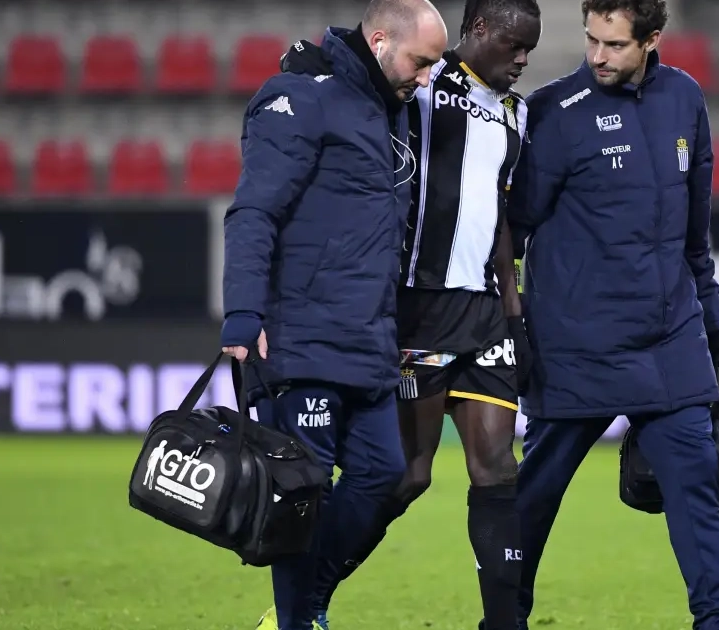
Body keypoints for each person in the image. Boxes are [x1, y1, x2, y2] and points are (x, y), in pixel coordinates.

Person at [260, 3, 540, 629]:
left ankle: (505, 623)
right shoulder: (421, 85)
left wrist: (514, 312)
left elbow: (499, 217)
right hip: (418, 308)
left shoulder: (517, 115)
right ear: (480, 31)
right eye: (515, 45)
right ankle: (304, 601)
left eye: (531, 48)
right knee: (408, 476)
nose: (524, 59)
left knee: (498, 468)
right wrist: (312, 64)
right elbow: (360, 70)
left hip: (484, 313)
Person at [486, 1, 719, 629]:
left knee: (696, 489)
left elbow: (695, 232)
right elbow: (509, 229)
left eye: (615, 44)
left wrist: (710, 312)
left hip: (669, 340)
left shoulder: (685, 99)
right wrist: (509, 320)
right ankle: (504, 620)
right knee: (534, 498)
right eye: (591, 40)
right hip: (574, 344)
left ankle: (717, 621)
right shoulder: (553, 112)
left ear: (652, 40)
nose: (598, 56)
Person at [218, 2, 448, 630]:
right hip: (301, 336)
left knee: (383, 473)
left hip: (368, 337)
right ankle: (298, 621)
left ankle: (305, 603)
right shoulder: (301, 99)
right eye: (420, 61)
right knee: (302, 490)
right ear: (380, 40)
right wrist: (243, 312)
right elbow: (254, 212)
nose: (427, 77)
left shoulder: (391, 108)